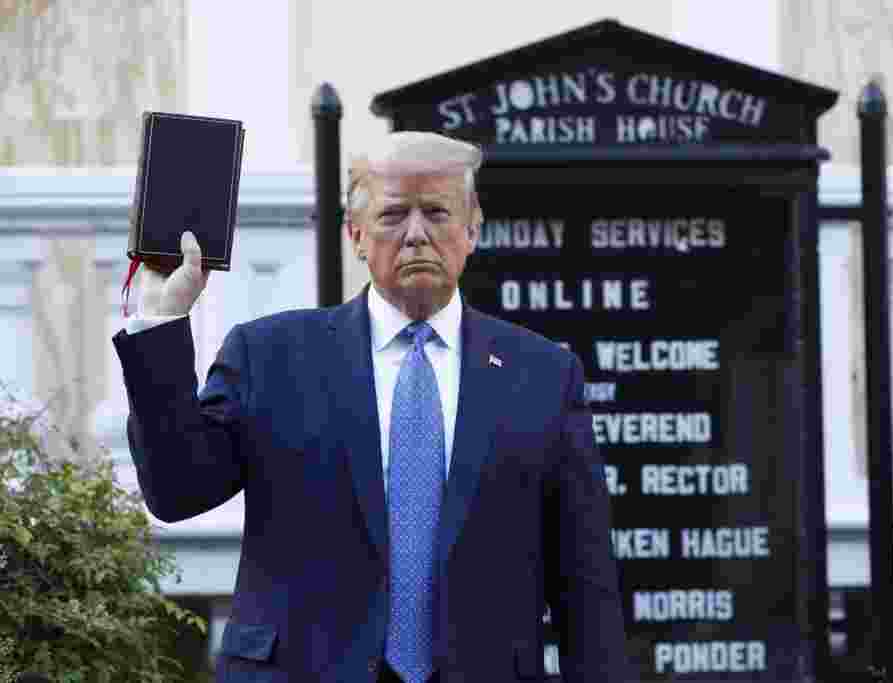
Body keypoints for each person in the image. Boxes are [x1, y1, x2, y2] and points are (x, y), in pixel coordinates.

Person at [112, 131, 626, 683]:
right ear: (355, 236)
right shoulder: (271, 357)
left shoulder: (543, 375)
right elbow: (178, 491)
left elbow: (585, 583)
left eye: (436, 212)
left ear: (472, 230)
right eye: (392, 215)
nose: (416, 235)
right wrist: (162, 325)